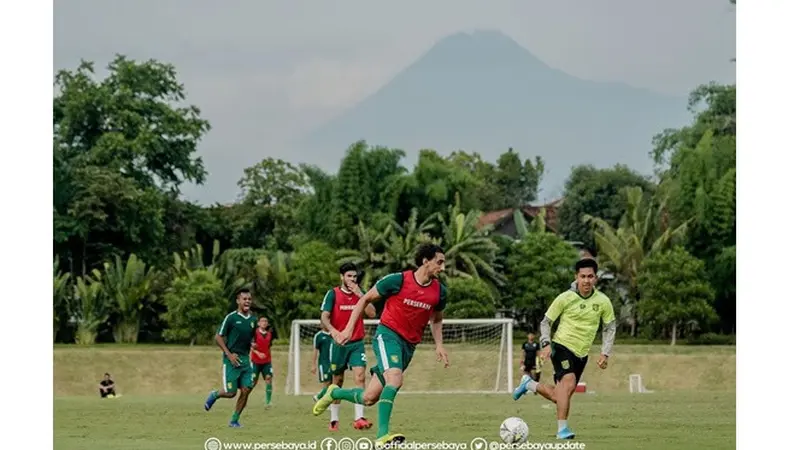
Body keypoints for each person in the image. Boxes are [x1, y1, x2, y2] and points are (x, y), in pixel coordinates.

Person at [312, 243, 449, 448]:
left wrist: (439, 345)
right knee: (395, 378)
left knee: (369, 398)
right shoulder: (397, 280)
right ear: (425, 261)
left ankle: (334, 392)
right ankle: (382, 436)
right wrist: (348, 329)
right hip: (388, 336)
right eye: (440, 262)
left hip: (409, 346)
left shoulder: (440, 292)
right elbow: (364, 299)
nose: (443, 267)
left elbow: (436, 319)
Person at [512, 258, 616, 440]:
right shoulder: (564, 298)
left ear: (596, 279)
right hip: (561, 346)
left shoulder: (603, 302)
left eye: (590, 276)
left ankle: (529, 384)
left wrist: (605, 353)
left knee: (560, 396)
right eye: (582, 276)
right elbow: (546, 322)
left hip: (582, 354)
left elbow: (609, 328)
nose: (586, 280)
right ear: (576, 277)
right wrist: (545, 344)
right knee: (567, 384)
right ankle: (562, 430)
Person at [320, 262, 377, 431]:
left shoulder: (361, 294)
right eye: (349, 276)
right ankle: (334, 419)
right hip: (338, 344)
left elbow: (372, 313)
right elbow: (324, 317)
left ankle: (359, 417)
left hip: (357, 344)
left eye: (354, 276)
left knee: (360, 377)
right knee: (337, 381)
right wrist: (333, 332)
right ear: (342, 277)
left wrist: (361, 295)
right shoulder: (333, 294)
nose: (352, 279)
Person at [203, 288, 258, 428]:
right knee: (230, 393)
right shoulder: (231, 318)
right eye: (244, 299)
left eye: (249, 299)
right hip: (231, 360)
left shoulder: (253, 319)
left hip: (245, 359)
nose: (247, 301)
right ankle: (215, 394)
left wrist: (253, 345)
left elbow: (249, 337)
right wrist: (229, 354)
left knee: (246, 390)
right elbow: (218, 337)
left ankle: (234, 420)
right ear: (238, 301)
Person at [250, 316, 278, 408]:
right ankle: (244, 397)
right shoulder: (254, 333)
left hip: (267, 362)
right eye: (262, 321)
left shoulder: (270, 334)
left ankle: (268, 401)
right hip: (255, 361)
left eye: (266, 321)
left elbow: (268, 346)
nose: (264, 323)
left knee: (269, 378)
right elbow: (249, 345)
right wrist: (257, 353)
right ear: (258, 323)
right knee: (253, 382)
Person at [312, 324, 334, 404]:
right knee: (327, 382)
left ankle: (319, 397)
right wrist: (313, 364)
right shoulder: (319, 336)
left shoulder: (333, 333)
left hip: (333, 362)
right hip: (323, 363)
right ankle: (324, 401)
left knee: (333, 383)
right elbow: (315, 351)